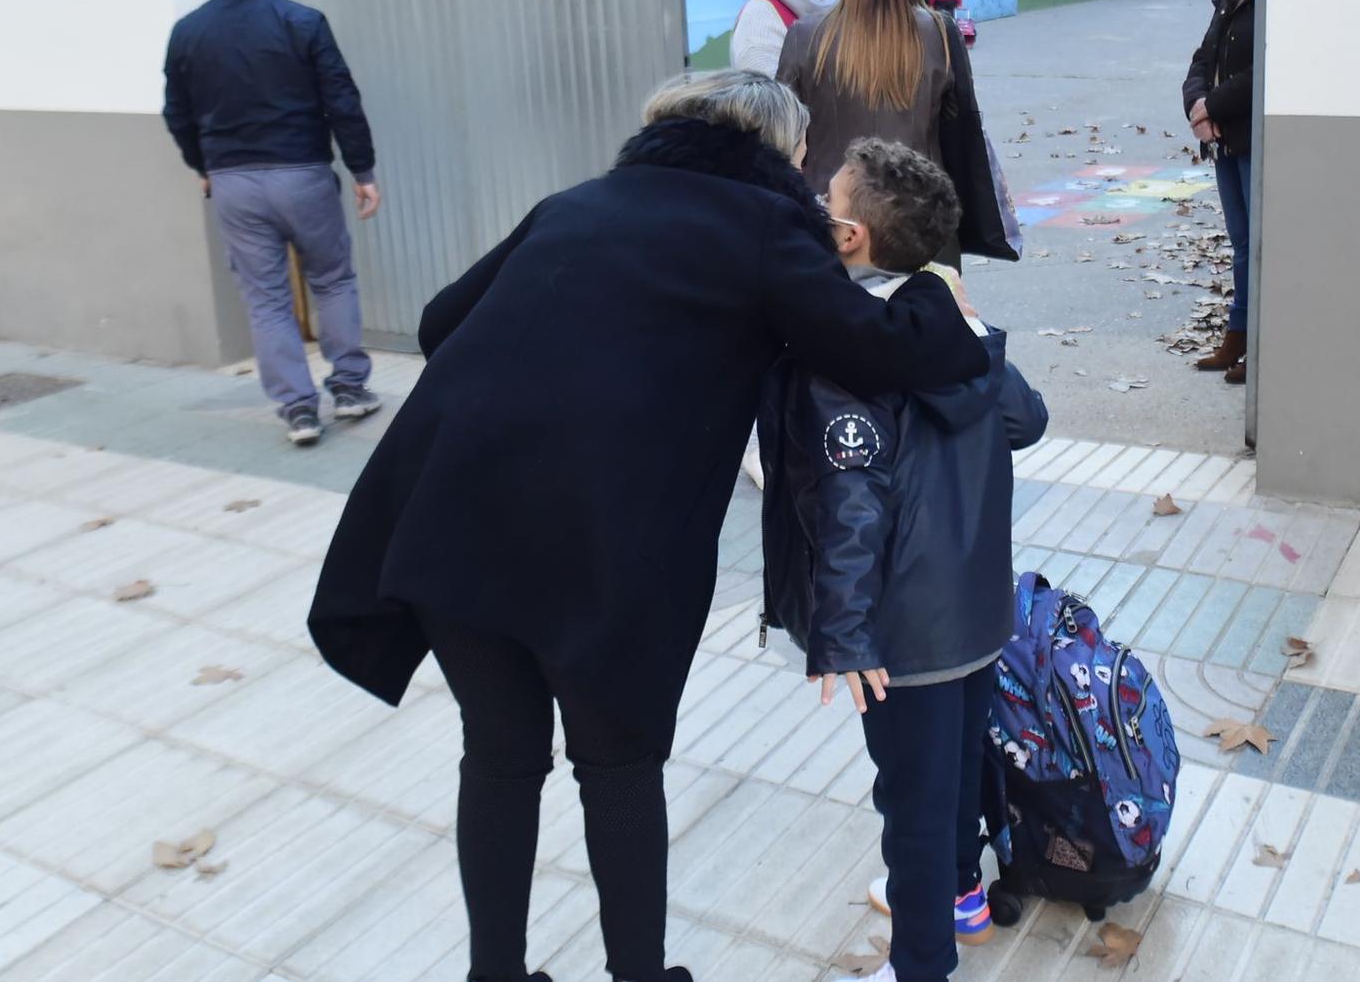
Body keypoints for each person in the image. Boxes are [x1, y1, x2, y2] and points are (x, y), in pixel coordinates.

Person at [309, 71, 988, 982]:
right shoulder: (765, 228)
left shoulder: (575, 204)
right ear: (778, 153)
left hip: (448, 520)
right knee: (618, 765)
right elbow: (885, 351)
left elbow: (439, 323)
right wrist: (939, 288)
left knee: (502, 755)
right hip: (606, 549)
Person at [759, 138, 1048, 982]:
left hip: (906, 633)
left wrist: (844, 634)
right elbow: (1026, 420)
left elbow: (853, 506)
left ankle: (923, 964)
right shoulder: (954, 331)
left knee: (911, 809)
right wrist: (975, 325)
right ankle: (963, 893)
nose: (815, 210)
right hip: (978, 610)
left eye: (825, 203)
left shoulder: (850, 352)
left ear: (849, 239)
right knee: (956, 775)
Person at [162, 0, 382, 446]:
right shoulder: (303, 22)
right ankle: (350, 389)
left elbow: (177, 112)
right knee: (331, 280)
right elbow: (342, 101)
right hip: (302, 174)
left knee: (266, 300)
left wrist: (204, 165)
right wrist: (362, 171)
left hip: (234, 182)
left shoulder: (187, 32)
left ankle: (299, 410)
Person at [777, 0, 962, 202]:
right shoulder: (940, 33)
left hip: (832, 212)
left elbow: (782, 132)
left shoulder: (804, 33)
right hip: (919, 214)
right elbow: (959, 129)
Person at [1183, 0, 1259, 385]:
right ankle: (1237, 335)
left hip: (1253, 137)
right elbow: (1202, 59)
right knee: (1241, 243)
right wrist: (1196, 107)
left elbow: (1262, 70)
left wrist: (1215, 105)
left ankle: (1257, 342)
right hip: (1225, 140)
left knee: (1259, 245)